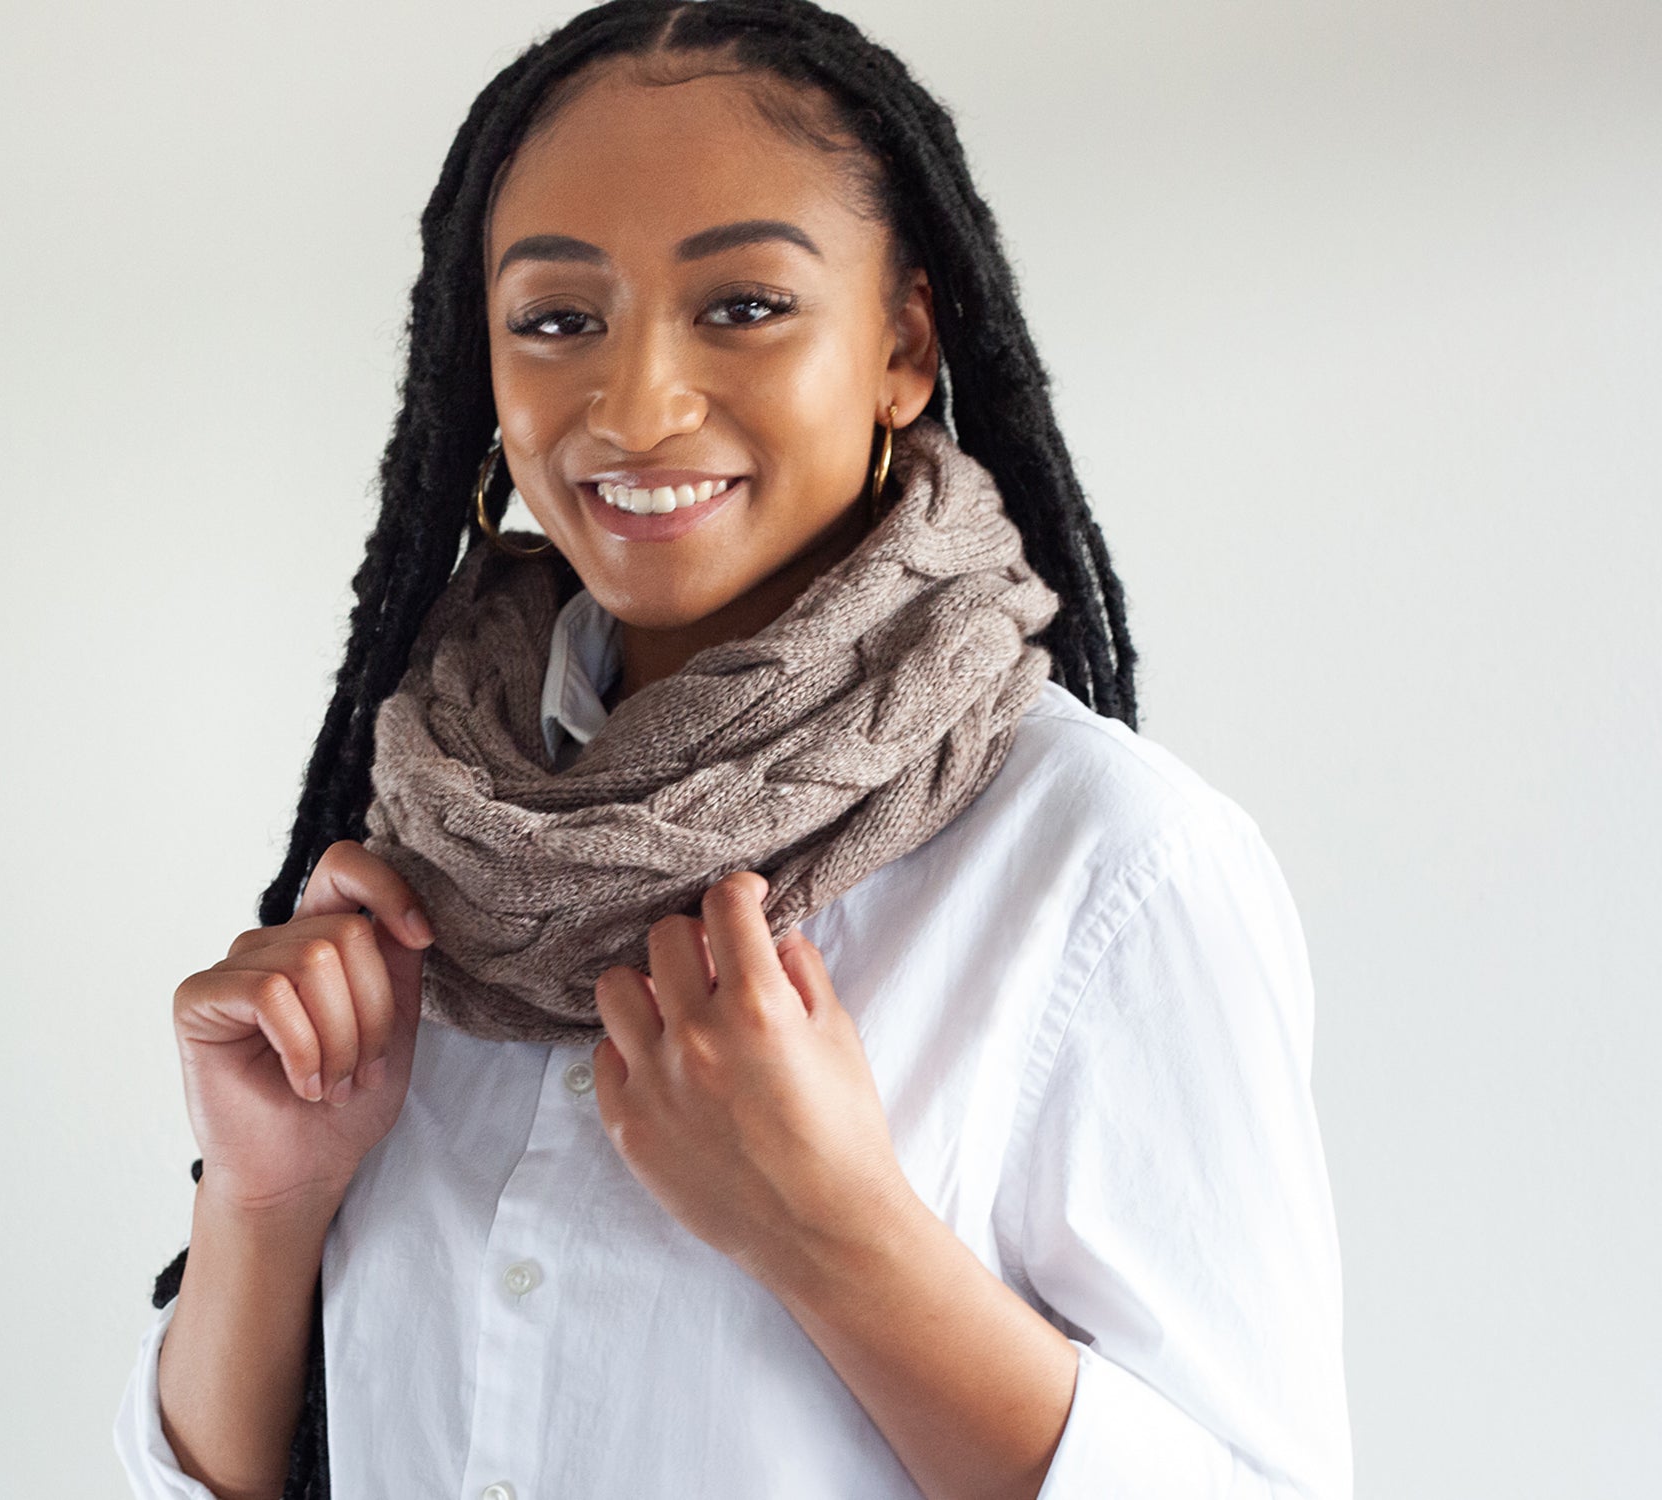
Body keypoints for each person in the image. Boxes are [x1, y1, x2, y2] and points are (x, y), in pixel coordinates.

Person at [114, 2, 1351, 1496]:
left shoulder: (1110, 867)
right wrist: (265, 1207)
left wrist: (837, 1238)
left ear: (903, 345)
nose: (636, 408)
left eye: (744, 306)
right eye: (559, 320)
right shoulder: (421, 852)